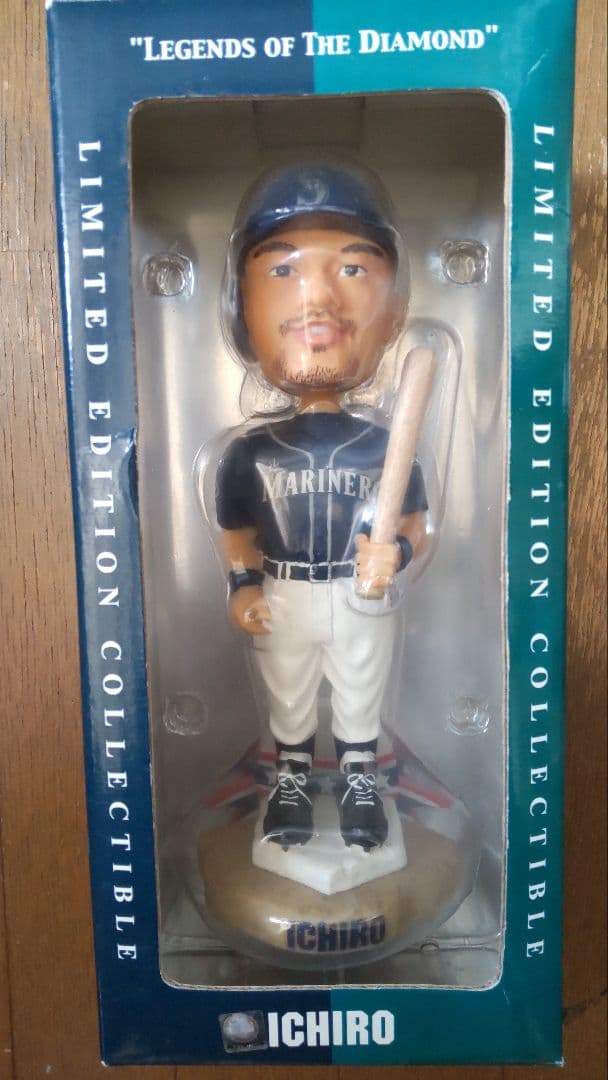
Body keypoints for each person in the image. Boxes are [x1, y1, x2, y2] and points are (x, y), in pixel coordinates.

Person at [215, 162, 428, 851]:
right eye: (282, 270)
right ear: (240, 313)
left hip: (358, 589)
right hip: (286, 589)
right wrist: (243, 583)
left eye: (355, 268)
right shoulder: (251, 450)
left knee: (362, 691)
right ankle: (291, 783)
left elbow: (415, 522)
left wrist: (398, 552)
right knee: (289, 691)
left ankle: (363, 784)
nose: (318, 300)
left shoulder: (384, 445)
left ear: (393, 312)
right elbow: (236, 527)